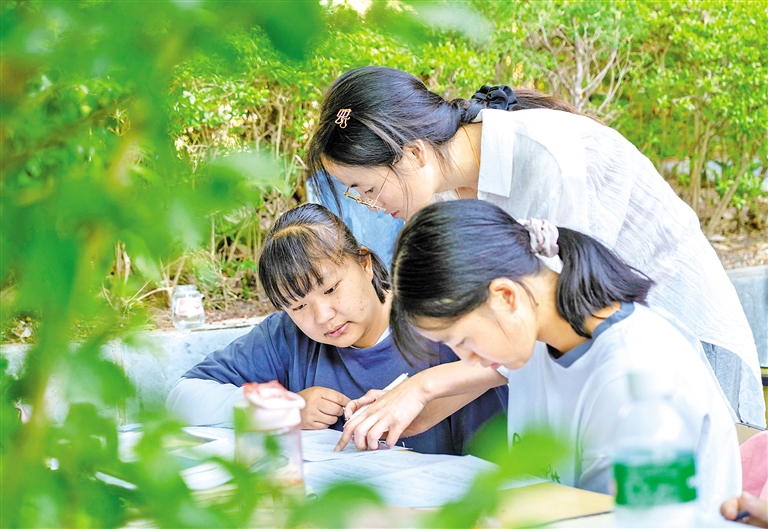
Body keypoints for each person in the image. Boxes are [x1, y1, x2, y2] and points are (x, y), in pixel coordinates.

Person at [306, 65, 764, 427]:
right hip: (580, 361)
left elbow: (544, 320)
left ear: (414, 154)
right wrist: (407, 407)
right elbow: (501, 337)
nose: (366, 203)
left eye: (364, 187)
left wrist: (423, 390)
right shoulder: (440, 192)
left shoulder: (548, 160)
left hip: (666, 338)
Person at [337, 199, 741, 516]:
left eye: (461, 339)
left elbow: (638, 518)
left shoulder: (636, 373)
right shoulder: (536, 346)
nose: (467, 359)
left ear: (505, 297)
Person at [165, 203, 506, 455]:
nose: (323, 316)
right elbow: (182, 397)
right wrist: (285, 408)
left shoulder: (438, 322)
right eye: (298, 306)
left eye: (330, 289)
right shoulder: (287, 336)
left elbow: (519, 358)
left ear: (365, 264)